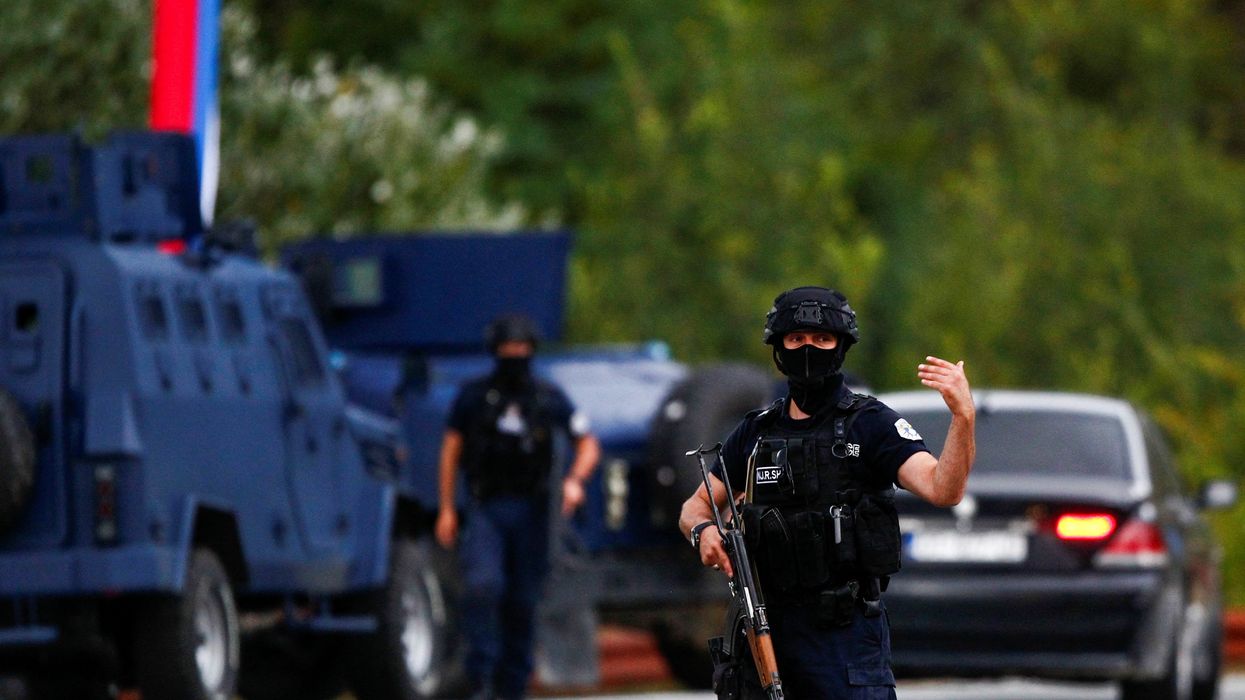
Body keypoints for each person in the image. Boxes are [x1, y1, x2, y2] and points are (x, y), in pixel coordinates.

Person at [678, 286, 975, 699]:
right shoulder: (756, 432)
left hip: (844, 638)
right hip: (766, 631)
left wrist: (963, 417)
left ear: (840, 346)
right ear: (778, 346)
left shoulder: (869, 424)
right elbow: (694, 507)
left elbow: (943, 488)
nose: (808, 349)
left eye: (821, 339)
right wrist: (704, 532)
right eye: (796, 339)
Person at [435, 313, 600, 700]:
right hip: (487, 506)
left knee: (524, 599)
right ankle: (480, 676)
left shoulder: (546, 396)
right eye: (509, 349)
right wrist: (446, 506)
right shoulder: (474, 396)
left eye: (522, 349)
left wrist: (574, 481)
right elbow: (450, 452)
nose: (515, 355)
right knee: (482, 585)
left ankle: (513, 686)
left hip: (534, 512)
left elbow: (587, 443)